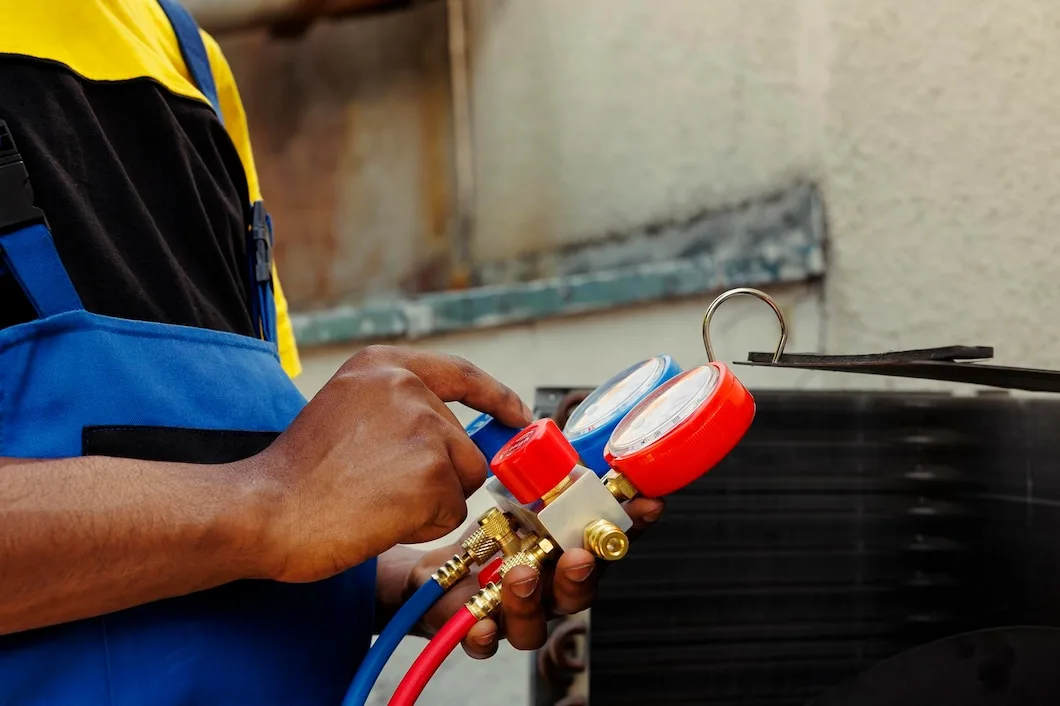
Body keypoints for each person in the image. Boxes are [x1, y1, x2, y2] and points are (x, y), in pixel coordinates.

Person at [0, 1, 664, 703]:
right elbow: (267, 498)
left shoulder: (184, 54)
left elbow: (242, 474)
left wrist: (413, 574)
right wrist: (273, 500)